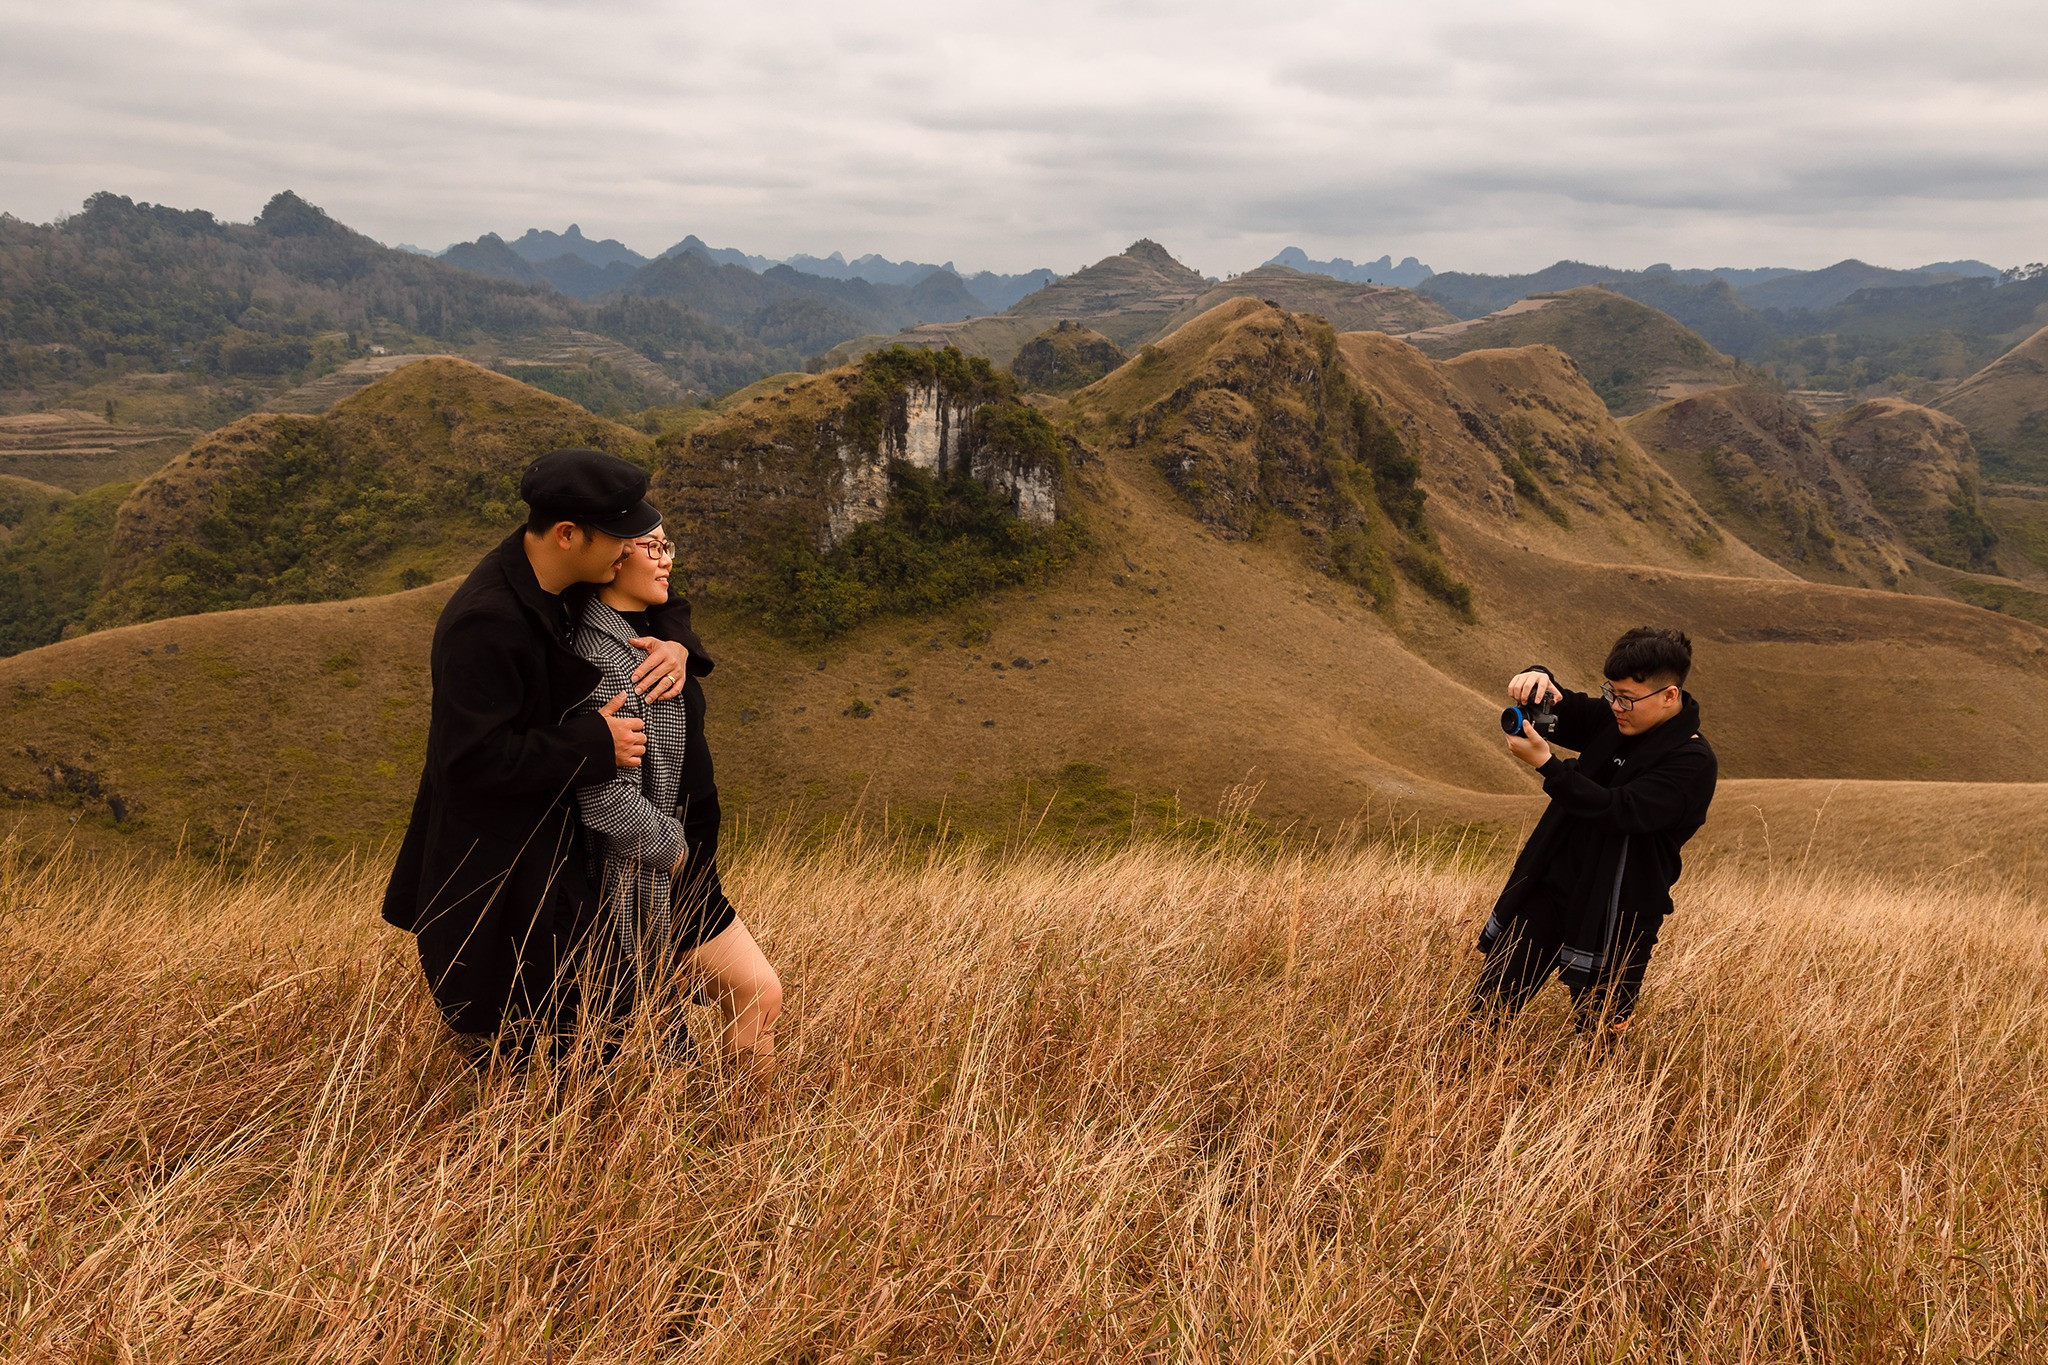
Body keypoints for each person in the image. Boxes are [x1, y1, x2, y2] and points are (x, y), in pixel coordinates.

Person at [381, 449, 697, 1051]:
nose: (629, 553)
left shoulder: (558, 576)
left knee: (598, 1041)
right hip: (497, 881)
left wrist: (676, 645)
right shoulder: (487, 624)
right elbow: (467, 765)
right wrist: (591, 743)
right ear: (568, 534)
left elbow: (660, 602)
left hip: (560, 870)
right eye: (620, 541)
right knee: (530, 1056)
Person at [568, 519, 783, 1077]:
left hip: (687, 870)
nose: (666, 560)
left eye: (669, 547)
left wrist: (680, 648)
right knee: (754, 995)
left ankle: (733, 1128)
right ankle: (745, 1131)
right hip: (653, 872)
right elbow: (599, 794)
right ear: (616, 557)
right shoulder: (606, 659)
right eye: (653, 548)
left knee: (694, 1026)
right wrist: (677, 851)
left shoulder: (652, 635)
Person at [1471, 627, 1718, 1035]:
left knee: (1599, 1035)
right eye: (1611, 693)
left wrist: (1548, 767)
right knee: (1487, 1011)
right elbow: (1563, 706)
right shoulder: (1615, 719)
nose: (1616, 707)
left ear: (1669, 695)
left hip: (1621, 911)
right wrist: (1538, 678)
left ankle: (1598, 1098)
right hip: (1553, 888)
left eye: (1627, 699)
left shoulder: (1692, 761)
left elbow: (1619, 811)